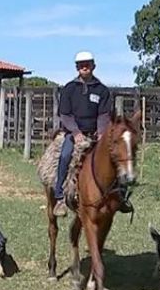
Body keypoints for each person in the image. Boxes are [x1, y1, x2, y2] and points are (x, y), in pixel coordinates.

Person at [52, 51, 132, 216]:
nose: (84, 67)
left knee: (115, 156)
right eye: (81, 65)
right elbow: (65, 115)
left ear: (93, 66)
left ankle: (121, 195)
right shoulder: (69, 89)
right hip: (73, 134)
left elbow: (103, 114)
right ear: (77, 68)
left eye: (87, 64)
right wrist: (75, 133)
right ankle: (60, 196)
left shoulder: (101, 90)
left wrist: (102, 132)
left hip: (95, 133)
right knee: (66, 155)